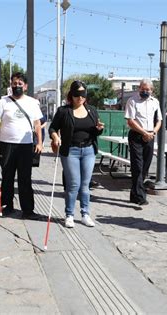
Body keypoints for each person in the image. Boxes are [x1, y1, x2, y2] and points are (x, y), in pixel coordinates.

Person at [49, 80, 104, 228]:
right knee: (73, 184)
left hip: (88, 150)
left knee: (85, 185)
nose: (80, 98)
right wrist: (55, 137)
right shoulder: (63, 111)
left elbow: (95, 131)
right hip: (70, 151)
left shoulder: (92, 110)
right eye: (77, 94)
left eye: (83, 94)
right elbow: (52, 128)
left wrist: (99, 129)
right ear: (71, 95)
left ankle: (85, 213)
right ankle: (69, 215)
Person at [0, 72, 43, 220]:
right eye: (14, 84)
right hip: (6, 144)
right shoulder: (3, 102)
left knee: (25, 178)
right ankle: (7, 206)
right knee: (7, 175)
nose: (17, 86)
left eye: (20, 84)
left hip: (25, 145)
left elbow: (37, 124)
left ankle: (28, 210)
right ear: (10, 85)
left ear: (25, 86)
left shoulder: (32, 103)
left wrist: (39, 142)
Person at [124, 79, 162, 206]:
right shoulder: (132, 101)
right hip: (136, 135)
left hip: (150, 136)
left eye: (148, 89)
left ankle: (134, 194)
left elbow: (159, 120)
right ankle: (140, 196)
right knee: (137, 166)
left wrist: (153, 133)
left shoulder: (155, 102)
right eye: (143, 89)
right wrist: (143, 133)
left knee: (145, 166)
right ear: (139, 88)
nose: (145, 91)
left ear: (152, 90)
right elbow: (130, 121)